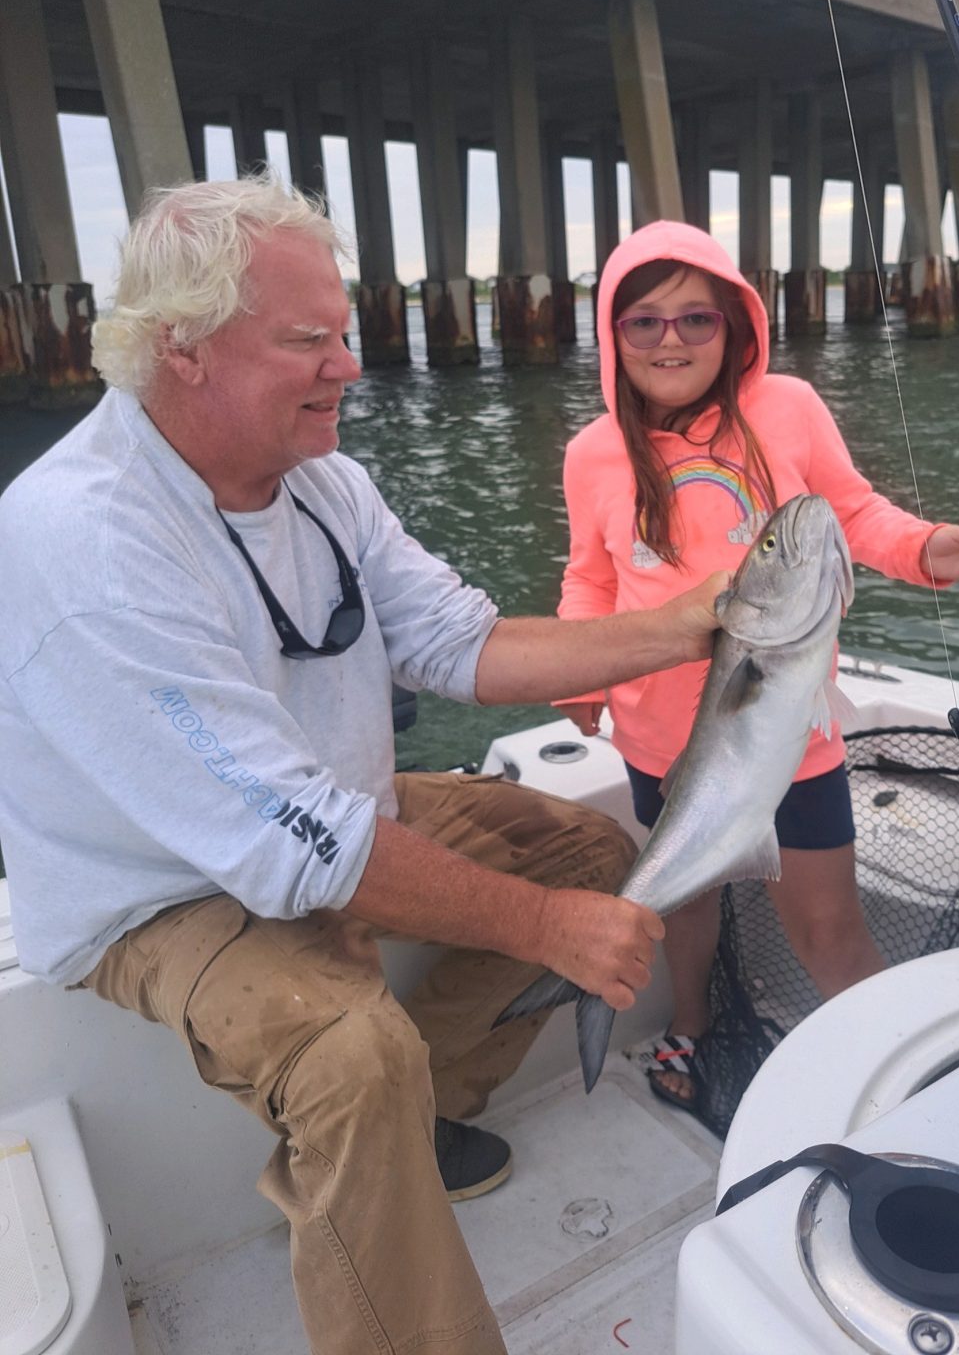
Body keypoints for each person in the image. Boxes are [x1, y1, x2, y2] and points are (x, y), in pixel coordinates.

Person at [0, 180, 727, 1355]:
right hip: (157, 889)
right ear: (180, 349)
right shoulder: (83, 543)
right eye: (308, 340)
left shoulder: (323, 482)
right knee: (352, 1056)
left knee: (591, 849)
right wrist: (548, 930)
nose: (348, 364)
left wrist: (695, 622)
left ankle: (427, 1115)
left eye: (344, 332)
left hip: (320, 813)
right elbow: (294, 842)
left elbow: (459, 640)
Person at [555, 220, 959, 1114]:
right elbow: (590, 573)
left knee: (827, 927)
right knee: (681, 906)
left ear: (736, 324)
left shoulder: (789, 407)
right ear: (613, 337)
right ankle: (690, 1022)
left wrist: (926, 548)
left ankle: (903, 1077)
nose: (671, 340)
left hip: (794, 734)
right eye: (643, 321)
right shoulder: (592, 453)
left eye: (696, 318)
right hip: (657, 739)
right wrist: (579, 673)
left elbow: (853, 513)